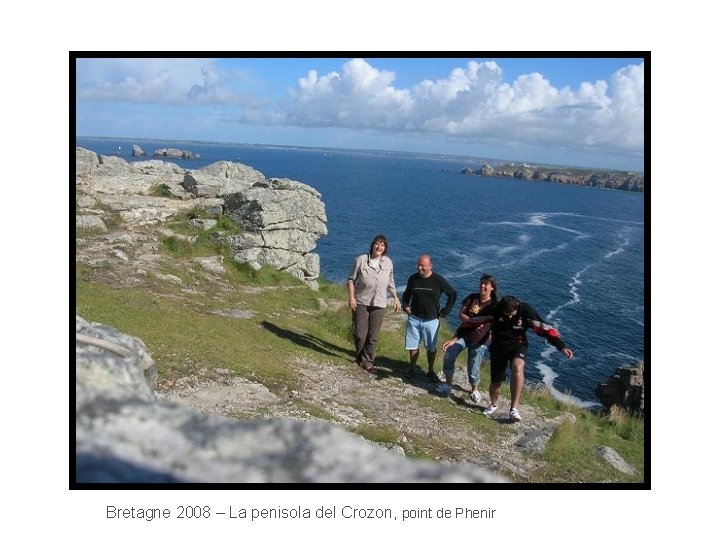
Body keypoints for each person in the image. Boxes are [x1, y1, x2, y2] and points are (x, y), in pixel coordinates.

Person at [456, 295, 573, 421]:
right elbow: (473, 321)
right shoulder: (495, 308)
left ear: (517, 308)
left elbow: (545, 329)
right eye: (506, 314)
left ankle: (514, 409)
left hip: (518, 345)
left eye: (512, 314)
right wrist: (455, 338)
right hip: (498, 347)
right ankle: (494, 404)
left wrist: (561, 347)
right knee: (496, 382)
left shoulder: (526, 311)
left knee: (518, 367)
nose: (510, 317)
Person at [437, 274, 498, 402]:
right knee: (450, 354)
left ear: (492, 287)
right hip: (463, 335)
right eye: (481, 283)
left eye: (486, 284)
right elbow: (461, 314)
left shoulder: (494, 305)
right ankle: (448, 385)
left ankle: (474, 389)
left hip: (480, 340)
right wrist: (474, 322)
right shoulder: (472, 298)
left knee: (473, 366)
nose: (482, 286)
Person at [347, 235, 401, 374]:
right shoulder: (361, 260)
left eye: (382, 245)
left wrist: (395, 297)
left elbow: (390, 282)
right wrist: (351, 298)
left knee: (373, 336)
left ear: (385, 248)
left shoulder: (388, 262)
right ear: (372, 246)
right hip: (361, 301)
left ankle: (368, 363)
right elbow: (351, 280)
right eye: (377, 244)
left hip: (379, 303)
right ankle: (359, 357)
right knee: (360, 333)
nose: (379, 247)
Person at [401, 254, 457, 382]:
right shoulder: (413, 279)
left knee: (431, 347)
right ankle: (412, 368)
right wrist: (405, 305)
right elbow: (406, 294)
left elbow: (452, 294)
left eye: (423, 266)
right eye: (418, 265)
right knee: (412, 346)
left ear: (430, 266)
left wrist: (446, 311)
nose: (419, 268)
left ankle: (431, 371)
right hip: (414, 318)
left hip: (431, 320)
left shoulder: (438, 280)